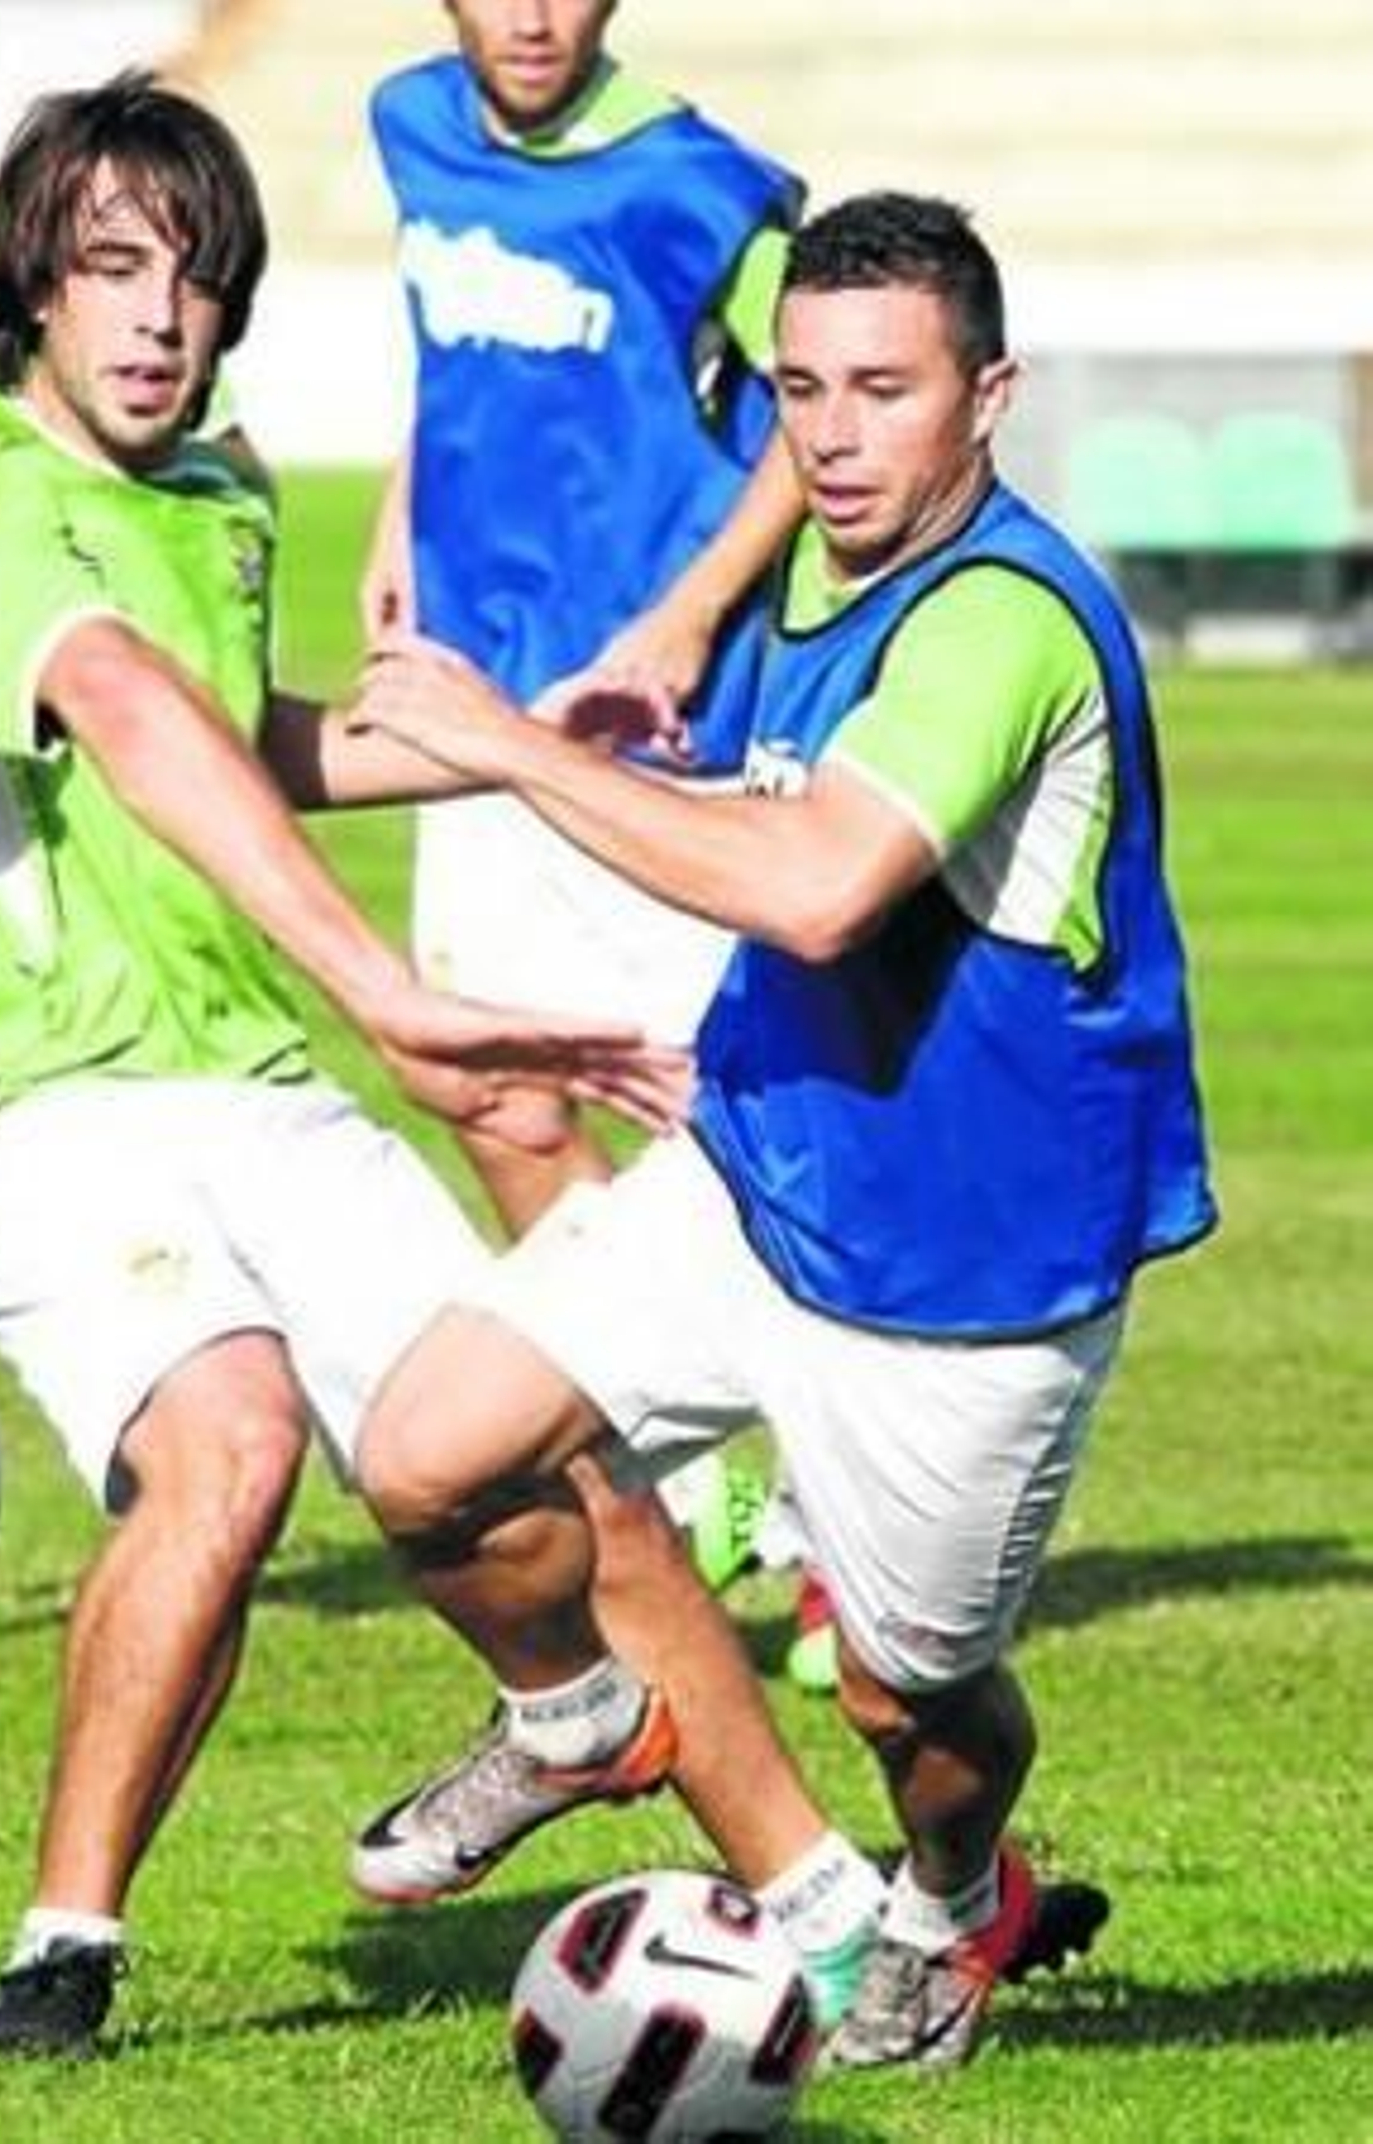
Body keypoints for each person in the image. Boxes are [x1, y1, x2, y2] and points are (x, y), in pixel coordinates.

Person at [350, 191, 1217, 2068]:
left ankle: (954, 1890)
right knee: (427, 1456)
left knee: (916, 1700)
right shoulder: (805, 579)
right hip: (754, 1176)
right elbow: (647, 755)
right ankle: (577, 1716)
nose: (830, 433)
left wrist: (514, 747)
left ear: (990, 396)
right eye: (802, 388)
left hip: (961, 1285)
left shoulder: (1002, 620)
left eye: (883, 390)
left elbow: (819, 887)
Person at [0, 73, 688, 2061]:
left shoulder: (226, 487)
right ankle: (61, 1953)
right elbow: (104, 692)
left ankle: (654, 1779)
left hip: (254, 1081)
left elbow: (238, 745)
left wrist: (523, 737)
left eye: (193, 279)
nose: (156, 319)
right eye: (110, 271)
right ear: (32, 283)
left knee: (548, 1461)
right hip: (44, 1104)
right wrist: (386, 983)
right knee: (235, 1442)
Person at [368, 0, 806, 1585]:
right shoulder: (407, 123)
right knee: (494, 1087)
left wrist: (688, 615)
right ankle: (674, 1490)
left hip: (641, 734)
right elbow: (449, 359)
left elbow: (810, 410)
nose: (533, 14)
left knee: (722, 1118)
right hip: (472, 707)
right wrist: (400, 524)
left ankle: (838, 1485)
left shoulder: (698, 183)